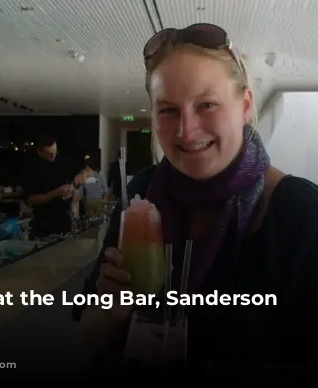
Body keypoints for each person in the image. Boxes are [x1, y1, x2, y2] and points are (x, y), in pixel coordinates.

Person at [74, 23, 318, 381]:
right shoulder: (142, 193)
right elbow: (93, 335)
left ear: (245, 105)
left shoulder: (300, 213)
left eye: (207, 104)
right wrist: (113, 313)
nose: (186, 132)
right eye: (168, 110)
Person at [22, 134, 89, 238]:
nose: (54, 156)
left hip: (65, 221)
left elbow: (86, 170)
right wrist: (54, 194)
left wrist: (82, 175)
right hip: (44, 224)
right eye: (50, 154)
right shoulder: (30, 168)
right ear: (40, 151)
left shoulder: (62, 161)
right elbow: (30, 201)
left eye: (55, 152)